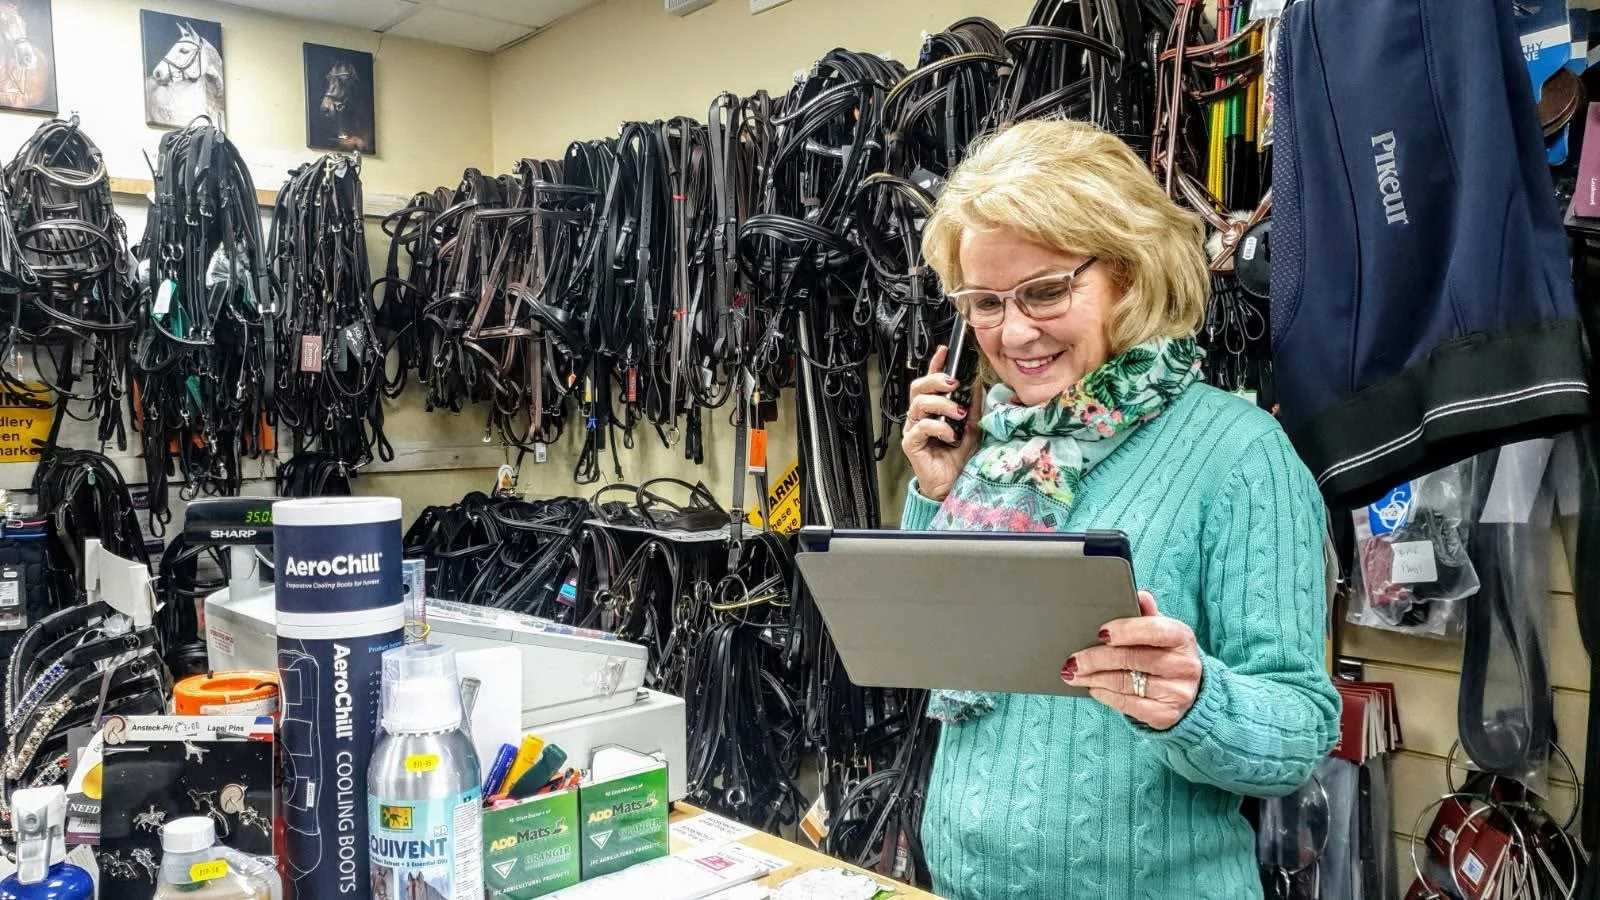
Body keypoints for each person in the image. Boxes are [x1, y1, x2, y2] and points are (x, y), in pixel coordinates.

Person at [900, 119, 1341, 898]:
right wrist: (937, 492)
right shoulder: (1001, 449)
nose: (1014, 331)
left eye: (1044, 291)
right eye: (985, 302)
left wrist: (1195, 702)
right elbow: (937, 659)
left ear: (1130, 275)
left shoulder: (1237, 453)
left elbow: (1301, 731)